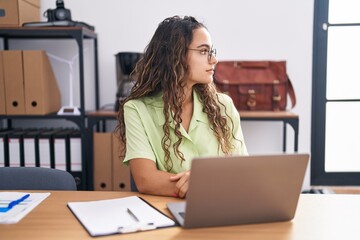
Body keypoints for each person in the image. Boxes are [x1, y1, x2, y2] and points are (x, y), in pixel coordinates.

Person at [115, 15, 248, 198]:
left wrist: (202, 183)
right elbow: (146, 180)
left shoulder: (223, 105)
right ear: (175, 56)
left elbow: (242, 172)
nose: (214, 60)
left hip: (223, 205)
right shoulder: (137, 109)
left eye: (212, 51)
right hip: (167, 212)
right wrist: (207, 184)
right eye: (203, 51)